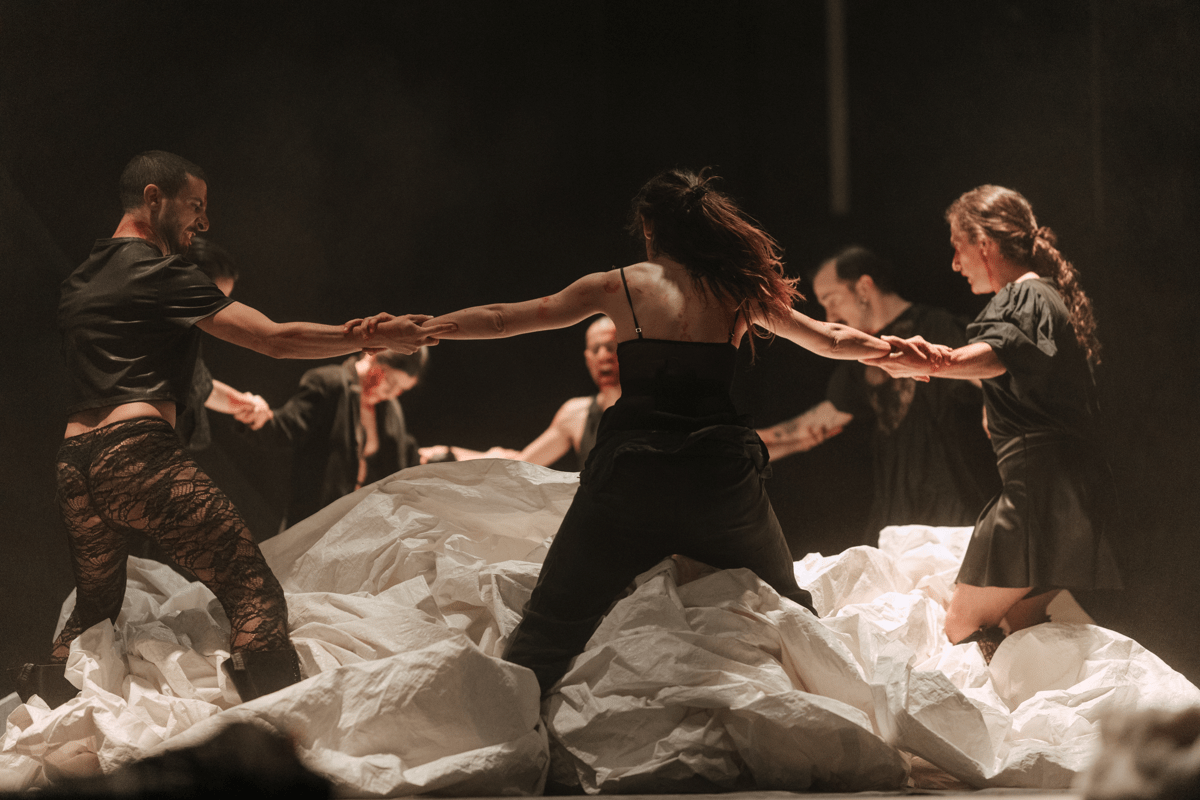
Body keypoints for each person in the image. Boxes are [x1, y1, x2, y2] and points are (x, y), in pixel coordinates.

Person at [356, 168, 932, 695]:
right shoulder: (735, 287)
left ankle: (506, 739)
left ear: (653, 228)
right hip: (720, 478)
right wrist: (900, 352)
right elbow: (829, 339)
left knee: (550, 625)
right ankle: (848, 708)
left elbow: (512, 317)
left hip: (633, 476)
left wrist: (427, 329)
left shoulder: (623, 285)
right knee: (792, 608)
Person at [15, 150, 449, 708]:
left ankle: (43, 726)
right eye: (195, 206)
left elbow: (156, 368)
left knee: (94, 611)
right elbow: (274, 338)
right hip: (137, 456)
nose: (204, 223)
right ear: (154, 198)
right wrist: (370, 334)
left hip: (75, 466)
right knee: (252, 591)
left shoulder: (79, 280)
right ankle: (284, 741)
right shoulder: (161, 271)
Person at [864, 184, 1120, 661]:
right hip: (1067, 490)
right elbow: (1018, 370)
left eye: (959, 248)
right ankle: (1026, 730)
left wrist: (937, 362)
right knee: (1020, 629)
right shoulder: (1044, 297)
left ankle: (981, 726)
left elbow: (997, 353)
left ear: (984, 244)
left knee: (961, 625)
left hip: (1039, 494)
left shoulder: (1026, 296)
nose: (956, 264)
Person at [757, 246, 998, 543]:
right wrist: (752, 441)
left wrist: (992, 406)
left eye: (832, 300)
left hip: (954, 506)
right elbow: (821, 420)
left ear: (863, 287)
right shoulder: (862, 358)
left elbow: (993, 375)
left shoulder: (935, 325)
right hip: (898, 513)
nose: (830, 315)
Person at [243, 347, 429, 529]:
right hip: (313, 522)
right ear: (373, 356)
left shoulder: (390, 410)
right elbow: (286, 427)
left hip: (356, 529)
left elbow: (400, 463)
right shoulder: (330, 383)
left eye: (401, 390)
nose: (392, 394)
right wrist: (259, 417)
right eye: (390, 381)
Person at [422, 315, 620, 469]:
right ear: (587, 359)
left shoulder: (649, 408)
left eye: (611, 347)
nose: (603, 356)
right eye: (595, 349)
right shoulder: (576, 414)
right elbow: (521, 463)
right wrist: (451, 454)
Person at [175, 236, 271, 451]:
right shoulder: (158, 331)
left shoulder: (185, 333)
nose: (219, 312)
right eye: (214, 299)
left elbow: (202, 387)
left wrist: (248, 403)